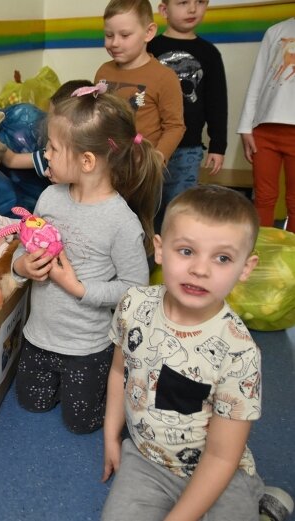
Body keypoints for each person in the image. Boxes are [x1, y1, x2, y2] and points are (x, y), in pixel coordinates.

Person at [101, 184, 294, 521]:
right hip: (148, 460)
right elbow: (120, 371)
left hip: (220, 471)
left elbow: (221, 457)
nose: (200, 269)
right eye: (187, 251)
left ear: (245, 269)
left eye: (222, 258)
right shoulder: (133, 304)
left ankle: (262, 504)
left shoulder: (240, 352)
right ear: (159, 249)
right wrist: (110, 435)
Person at [11, 86, 163, 434]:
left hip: (87, 348)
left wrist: (79, 289)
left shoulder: (120, 221)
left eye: (52, 148)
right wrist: (21, 267)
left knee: (82, 424)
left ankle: (119, 382)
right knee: (30, 404)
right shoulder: (49, 196)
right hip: (38, 337)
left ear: (87, 161)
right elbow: (25, 245)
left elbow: (134, 290)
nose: (44, 154)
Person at [149, 0, 228, 231]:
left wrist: (218, 145)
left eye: (200, 2)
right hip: (150, 146)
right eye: (183, 2)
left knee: (180, 210)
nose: (192, 9)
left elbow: (217, 101)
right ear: (164, 10)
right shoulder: (150, 48)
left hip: (188, 149)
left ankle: (175, 259)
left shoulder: (209, 53)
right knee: (148, 207)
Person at [95, 0, 186, 164]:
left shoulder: (164, 77)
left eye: (124, 35)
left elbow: (175, 126)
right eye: (109, 35)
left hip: (142, 169)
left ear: (149, 32)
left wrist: (157, 158)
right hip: (107, 164)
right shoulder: (103, 71)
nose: (114, 43)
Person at [238, 17, 295, 233]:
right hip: (264, 131)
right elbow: (258, 79)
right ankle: (260, 252)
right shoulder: (276, 31)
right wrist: (245, 127)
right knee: (264, 196)